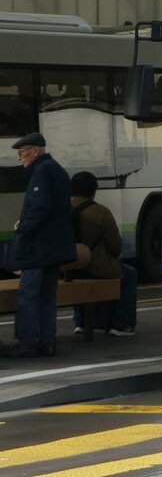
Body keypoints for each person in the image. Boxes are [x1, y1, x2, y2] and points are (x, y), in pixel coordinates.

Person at [2, 133, 75, 357]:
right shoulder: (57, 170)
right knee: (47, 295)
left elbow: (39, 207)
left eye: (22, 153)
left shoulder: (42, 171)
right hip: (54, 247)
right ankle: (47, 341)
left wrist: (22, 226)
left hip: (39, 247)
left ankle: (28, 343)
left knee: (28, 294)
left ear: (35, 151)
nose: (20, 158)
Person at [69, 172, 137, 337]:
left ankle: (81, 322)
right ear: (94, 191)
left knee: (75, 272)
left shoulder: (61, 210)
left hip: (67, 267)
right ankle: (122, 324)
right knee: (129, 273)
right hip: (95, 268)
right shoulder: (100, 212)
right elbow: (115, 248)